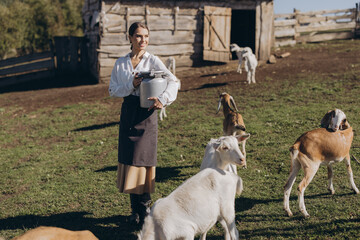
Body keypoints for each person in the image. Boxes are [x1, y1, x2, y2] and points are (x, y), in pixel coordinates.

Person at [108, 22, 178, 226]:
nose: (143, 40)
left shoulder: (153, 61)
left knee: (143, 160)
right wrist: (132, 84)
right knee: (130, 161)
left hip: (146, 114)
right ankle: (135, 210)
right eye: (139, 36)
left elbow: (173, 81)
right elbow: (113, 90)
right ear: (129, 38)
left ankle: (145, 207)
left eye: (146, 36)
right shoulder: (120, 64)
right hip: (129, 113)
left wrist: (162, 99)